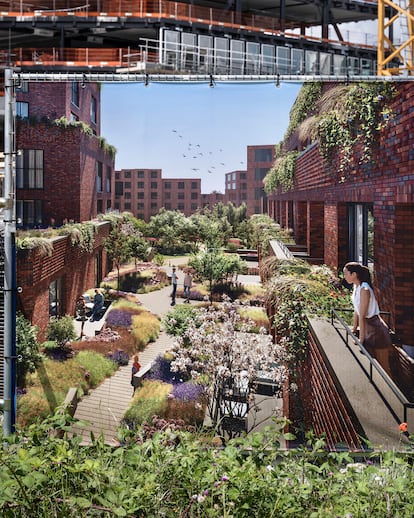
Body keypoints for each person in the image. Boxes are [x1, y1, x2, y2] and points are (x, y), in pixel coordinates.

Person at [343, 262, 393, 372]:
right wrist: (354, 329)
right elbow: (356, 311)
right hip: (367, 330)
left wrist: (360, 341)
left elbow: (362, 316)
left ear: (354, 274)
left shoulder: (364, 290)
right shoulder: (356, 287)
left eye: (346, 274)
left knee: (384, 369)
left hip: (376, 331)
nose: (344, 276)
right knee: (373, 369)